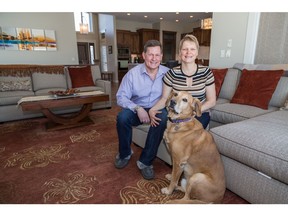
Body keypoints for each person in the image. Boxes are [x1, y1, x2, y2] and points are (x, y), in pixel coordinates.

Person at [115, 40, 170, 180]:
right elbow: (121, 97)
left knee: (162, 118)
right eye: (150, 54)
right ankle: (125, 153)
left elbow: (172, 96)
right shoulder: (133, 74)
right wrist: (137, 108)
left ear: (161, 56)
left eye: (157, 55)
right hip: (137, 108)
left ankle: (146, 162)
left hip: (158, 108)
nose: (154, 58)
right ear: (143, 55)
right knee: (122, 118)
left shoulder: (168, 74)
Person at [149, 34, 216, 129]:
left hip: (199, 113)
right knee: (160, 119)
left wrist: (193, 112)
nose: (188, 52)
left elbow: (211, 101)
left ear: (197, 52)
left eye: (192, 49)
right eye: (185, 49)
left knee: (189, 134)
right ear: (180, 52)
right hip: (177, 113)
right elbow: (164, 99)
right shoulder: (171, 73)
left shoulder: (206, 72)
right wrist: (152, 109)